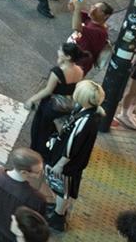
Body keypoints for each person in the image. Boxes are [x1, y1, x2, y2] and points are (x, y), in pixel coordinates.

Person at [43, 80, 106, 232]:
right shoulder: (90, 111)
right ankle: (59, 209)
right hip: (71, 161)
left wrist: (60, 164)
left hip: (67, 162)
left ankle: (58, 216)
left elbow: (72, 145)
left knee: (62, 188)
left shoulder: (85, 120)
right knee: (63, 188)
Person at [24, 42, 86, 155]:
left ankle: (35, 154)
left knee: (40, 131)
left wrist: (32, 99)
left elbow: (48, 90)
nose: (58, 52)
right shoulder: (80, 71)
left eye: (60, 51)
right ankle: (48, 152)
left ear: (68, 57)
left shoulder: (57, 72)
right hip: (66, 106)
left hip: (50, 106)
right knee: (52, 131)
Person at [0, 148, 55, 242]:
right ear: (24, 172)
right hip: (14, 237)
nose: (41, 174)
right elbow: (36, 226)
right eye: (38, 172)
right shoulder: (36, 199)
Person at [69, 0, 113, 74]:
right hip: (72, 56)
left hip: (80, 63)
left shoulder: (100, 32)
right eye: (93, 6)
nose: (92, 9)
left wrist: (78, 8)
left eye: (97, 9)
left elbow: (76, 27)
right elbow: (72, 9)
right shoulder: (90, 19)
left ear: (106, 16)